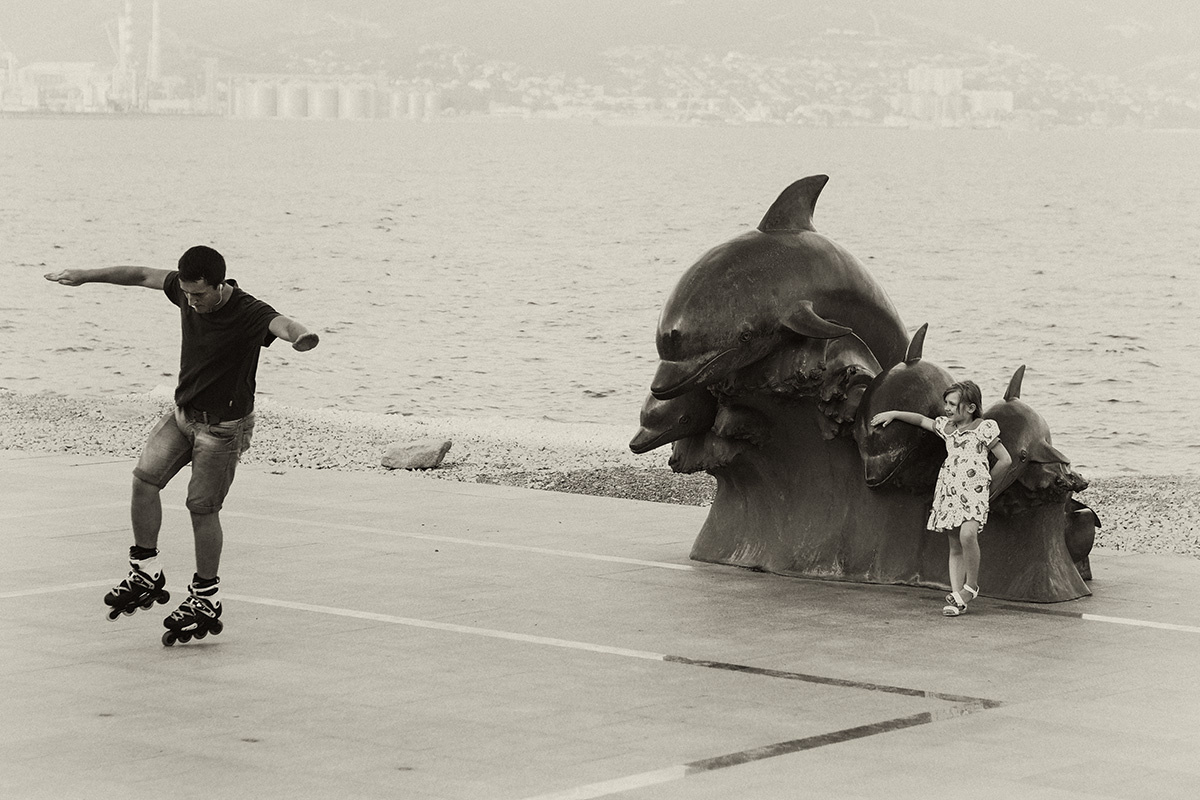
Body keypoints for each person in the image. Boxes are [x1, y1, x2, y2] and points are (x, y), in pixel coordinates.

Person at [44, 245, 319, 643]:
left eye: (199, 295)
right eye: (187, 293)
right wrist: (86, 275)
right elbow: (141, 275)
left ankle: (205, 597)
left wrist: (302, 336)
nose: (191, 302)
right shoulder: (185, 290)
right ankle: (146, 572)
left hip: (222, 429)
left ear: (219, 285)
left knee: (201, 509)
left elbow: (282, 323)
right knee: (144, 480)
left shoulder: (247, 311)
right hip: (183, 415)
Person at [871, 380, 1012, 616]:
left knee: (968, 534)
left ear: (970, 407)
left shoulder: (983, 427)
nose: (946, 408)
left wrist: (987, 486)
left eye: (952, 404)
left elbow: (1005, 460)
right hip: (950, 491)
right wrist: (894, 413)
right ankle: (958, 599)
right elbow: (921, 420)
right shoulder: (947, 428)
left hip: (974, 491)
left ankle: (971, 587)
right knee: (955, 544)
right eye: (946, 402)